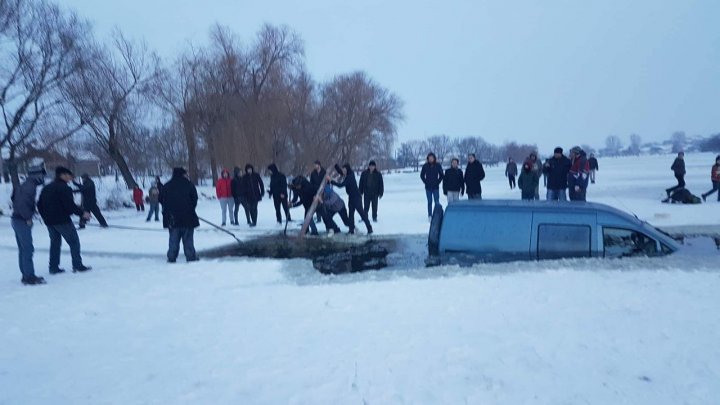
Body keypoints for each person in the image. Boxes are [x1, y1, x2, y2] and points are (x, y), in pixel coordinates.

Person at [37, 166, 92, 274]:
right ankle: (77, 265)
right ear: (62, 175)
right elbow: (69, 205)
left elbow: (39, 205)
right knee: (74, 242)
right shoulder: (64, 188)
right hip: (62, 221)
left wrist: (45, 217)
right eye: (69, 176)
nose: (70, 178)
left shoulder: (47, 188)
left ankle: (53, 267)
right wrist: (83, 213)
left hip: (49, 222)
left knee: (55, 243)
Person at [11, 165, 47, 285]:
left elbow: (14, 198)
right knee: (27, 249)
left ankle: (25, 275)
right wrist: (27, 217)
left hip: (16, 219)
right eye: (42, 175)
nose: (43, 177)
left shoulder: (24, 185)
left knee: (23, 249)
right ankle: (29, 277)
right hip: (22, 221)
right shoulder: (29, 187)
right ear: (36, 175)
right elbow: (21, 204)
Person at [159, 167, 199, 263]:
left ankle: (171, 257)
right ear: (183, 174)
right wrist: (190, 208)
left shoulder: (167, 186)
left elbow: (161, 199)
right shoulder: (189, 185)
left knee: (173, 239)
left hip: (171, 218)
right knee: (188, 239)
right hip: (187, 217)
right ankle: (190, 256)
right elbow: (194, 199)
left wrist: (168, 209)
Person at [330, 164, 373, 234]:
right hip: (351, 197)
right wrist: (336, 166)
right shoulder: (347, 174)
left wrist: (331, 181)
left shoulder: (350, 176)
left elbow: (341, 185)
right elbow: (341, 173)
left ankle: (369, 228)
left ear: (347, 169)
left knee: (362, 213)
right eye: (343, 170)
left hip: (356, 197)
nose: (343, 171)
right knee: (351, 215)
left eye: (344, 170)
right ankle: (351, 230)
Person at [420, 152, 444, 221]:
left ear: (434, 158)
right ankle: (430, 215)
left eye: (432, 158)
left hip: (435, 187)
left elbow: (442, 175)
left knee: (437, 201)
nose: (431, 159)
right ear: (428, 159)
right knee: (429, 201)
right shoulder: (425, 166)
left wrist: (438, 182)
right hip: (428, 187)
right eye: (429, 158)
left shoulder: (438, 165)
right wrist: (425, 182)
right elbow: (422, 175)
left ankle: (437, 214)